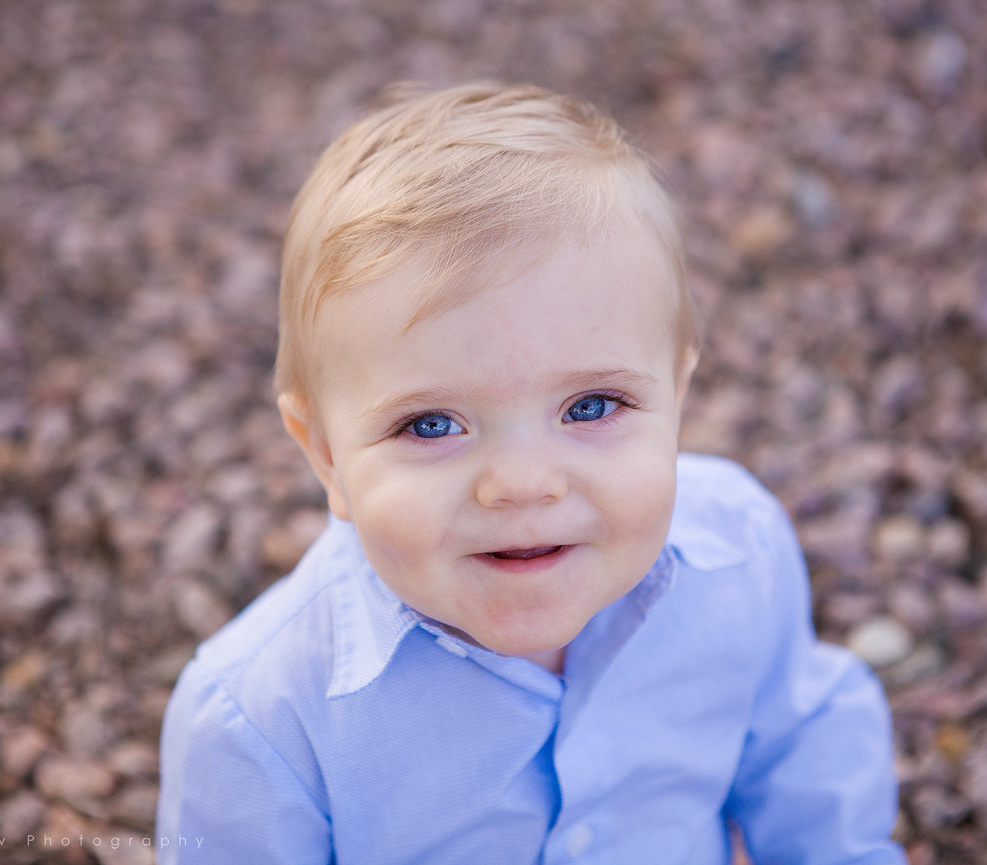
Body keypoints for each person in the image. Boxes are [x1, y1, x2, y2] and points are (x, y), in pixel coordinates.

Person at [156, 82, 906, 864]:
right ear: (326, 456)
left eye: (591, 407)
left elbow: (801, 741)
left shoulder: (739, 551)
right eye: (432, 424)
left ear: (677, 397)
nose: (522, 483)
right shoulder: (260, 720)